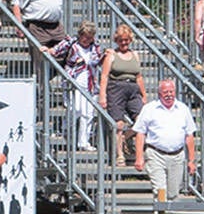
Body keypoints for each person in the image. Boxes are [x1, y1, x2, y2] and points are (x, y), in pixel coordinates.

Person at [131, 79, 196, 200]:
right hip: (156, 154)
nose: (169, 95)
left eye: (171, 91)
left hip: (177, 156)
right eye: (166, 92)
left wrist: (191, 160)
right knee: (160, 191)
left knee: (173, 194)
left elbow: (189, 136)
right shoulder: (149, 109)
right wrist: (139, 157)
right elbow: (140, 134)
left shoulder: (183, 109)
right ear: (159, 93)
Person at [50, 21, 103, 152]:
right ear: (80, 35)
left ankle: (83, 142)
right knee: (77, 109)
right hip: (73, 83)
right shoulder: (71, 43)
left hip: (90, 85)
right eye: (85, 36)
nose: (87, 40)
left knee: (88, 114)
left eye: (90, 37)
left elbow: (98, 61)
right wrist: (48, 50)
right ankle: (65, 129)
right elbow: (55, 51)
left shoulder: (95, 47)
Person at [98, 23, 146, 168]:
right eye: (120, 40)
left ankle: (127, 138)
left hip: (133, 88)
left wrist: (143, 95)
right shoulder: (111, 55)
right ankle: (120, 155)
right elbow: (104, 76)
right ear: (116, 40)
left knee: (141, 121)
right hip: (116, 88)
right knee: (118, 123)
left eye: (126, 40)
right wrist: (102, 96)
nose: (124, 43)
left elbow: (139, 77)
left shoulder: (135, 55)